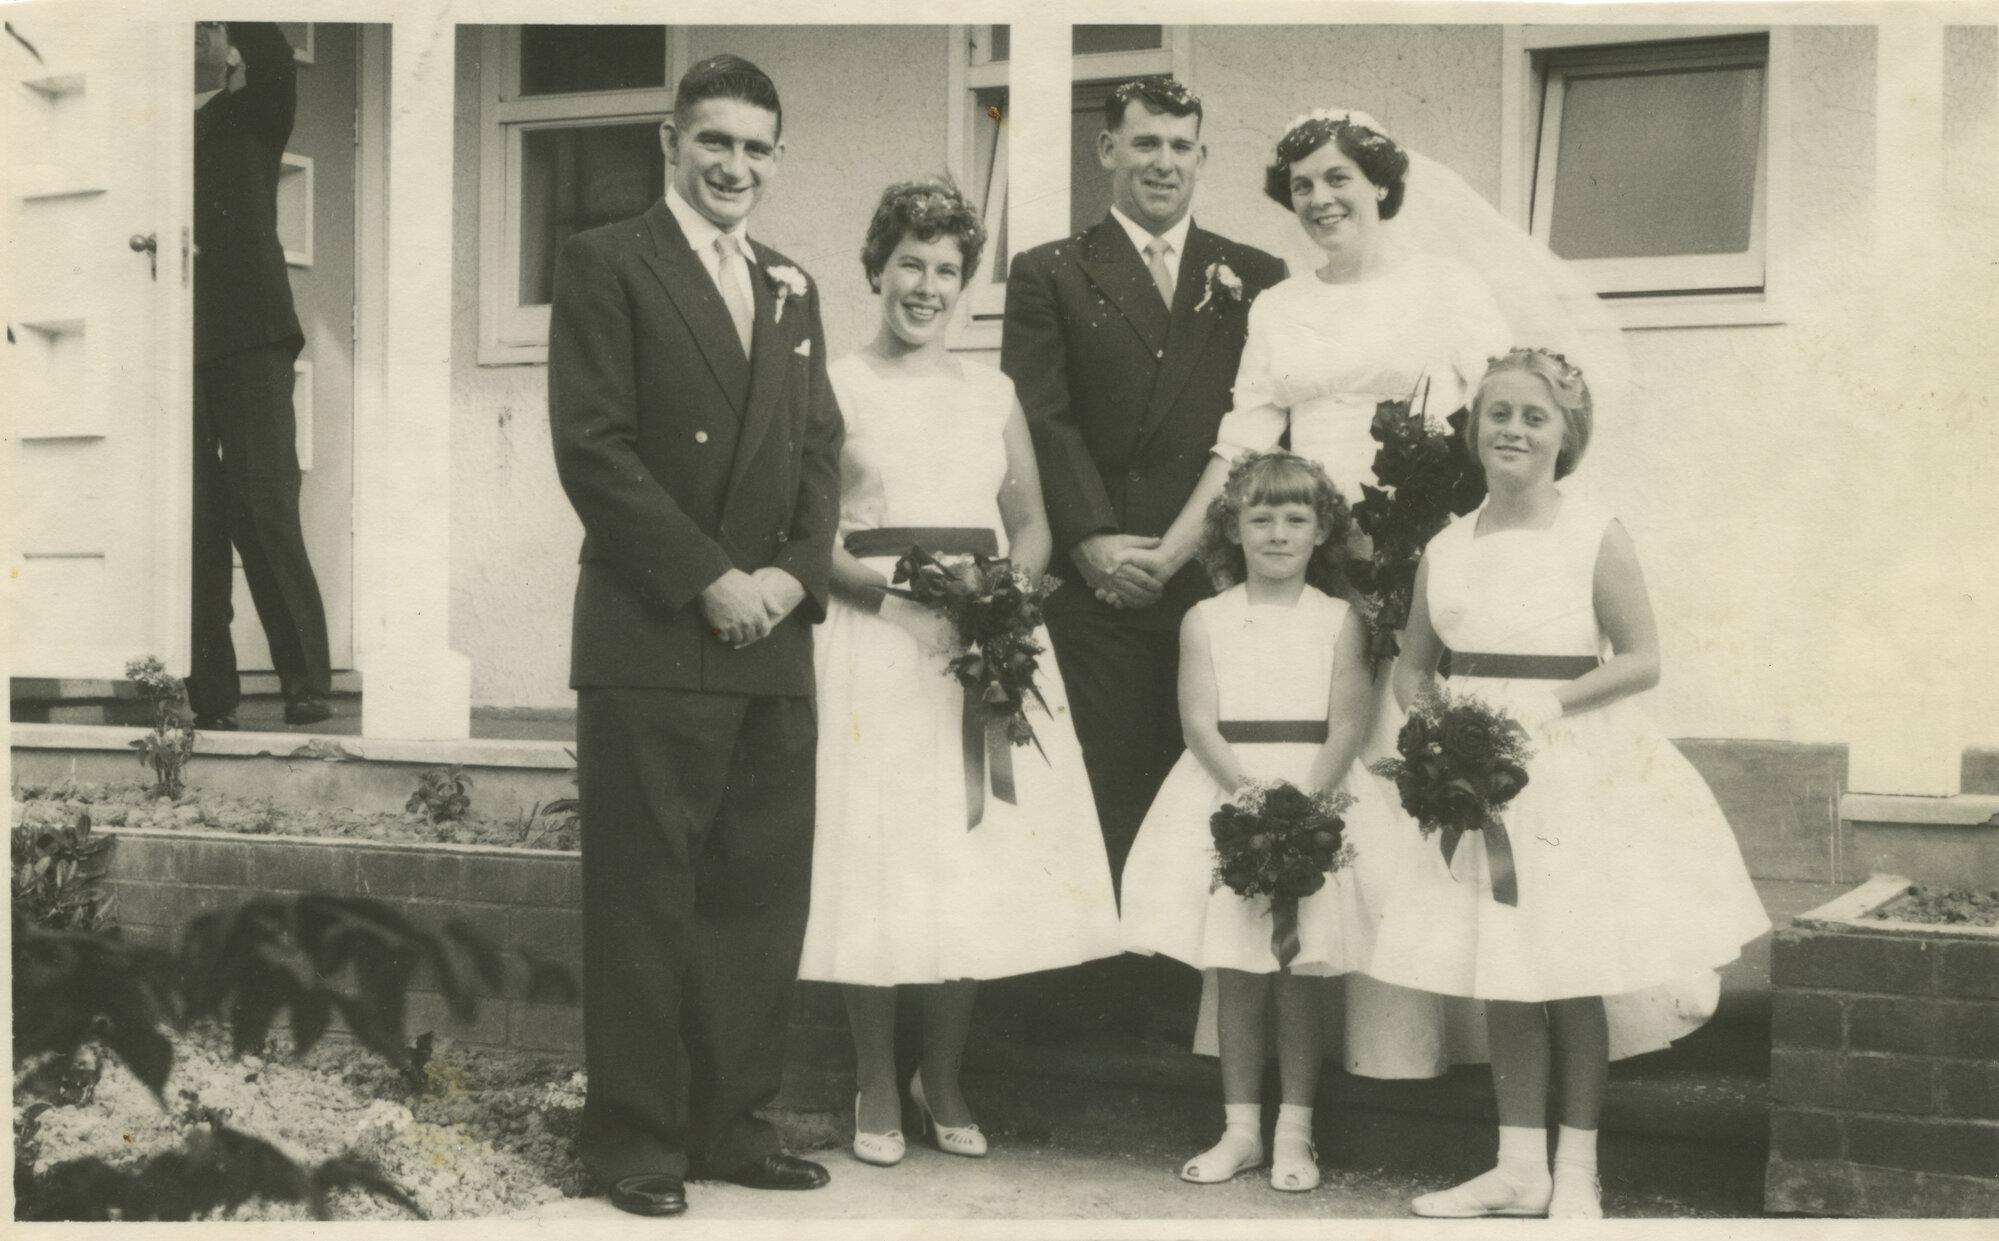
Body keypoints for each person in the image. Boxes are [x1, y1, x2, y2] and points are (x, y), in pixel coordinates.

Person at [546, 54, 843, 1217]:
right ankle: (633, 1141)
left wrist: (786, 579)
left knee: (757, 897)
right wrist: (710, 577)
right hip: (653, 631)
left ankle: (734, 1125)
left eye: (757, 147)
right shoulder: (606, 262)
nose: (735, 166)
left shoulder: (793, 284)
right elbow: (595, 451)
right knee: (646, 900)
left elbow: (820, 453)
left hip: (769, 637)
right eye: (714, 141)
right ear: (671, 142)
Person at [1376, 350, 1769, 1219]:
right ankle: (1519, 1167)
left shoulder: (1592, 531)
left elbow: (1640, 658)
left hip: (1570, 767)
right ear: (1474, 429)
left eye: (1533, 416)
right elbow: (1411, 666)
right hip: (1477, 775)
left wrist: (1540, 710)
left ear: (1566, 437)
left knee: (1570, 963)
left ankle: (1579, 1169)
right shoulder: (1445, 544)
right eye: (1497, 413)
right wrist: (1438, 733)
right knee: (1506, 968)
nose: (1512, 429)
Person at [799, 179, 1122, 1169]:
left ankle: (940, 1074)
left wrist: (1003, 608)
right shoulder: (834, 384)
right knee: (879, 855)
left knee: (967, 857)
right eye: (911, 262)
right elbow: (808, 534)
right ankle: (870, 1075)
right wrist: (899, 608)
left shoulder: (992, 392)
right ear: (877, 267)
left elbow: (1029, 523)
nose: (927, 284)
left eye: (946, 268)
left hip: (985, 643)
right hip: (878, 638)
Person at [1002, 78, 1287, 890]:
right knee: (1109, 779)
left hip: (1211, 568)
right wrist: (1090, 541)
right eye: (1144, 143)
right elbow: (1038, 418)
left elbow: (1263, 422)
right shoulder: (1048, 272)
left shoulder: (1256, 273)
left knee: (1207, 777)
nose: (1163, 163)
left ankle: (1180, 1003)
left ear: (1200, 157)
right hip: (1103, 577)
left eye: (1180, 147)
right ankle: (1106, 1002)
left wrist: (1186, 548)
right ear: (1107, 151)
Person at [1120, 452, 1382, 1193]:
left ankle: (1293, 1131)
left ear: (1320, 529)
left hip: (1316, 798)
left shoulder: (1341, 620)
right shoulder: (1205, 617)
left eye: (1294, 518)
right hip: (1227, 795)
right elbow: (1198, 722)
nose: (1275, 533)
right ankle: (1240, 1130)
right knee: (1236, 971)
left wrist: (1303, 806)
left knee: (1299, 974)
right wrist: (1246, 796)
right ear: (1231, 528)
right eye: (1258, 517)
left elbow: (1346, 725)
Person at [188, 21, 332, 731]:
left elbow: (274, 56)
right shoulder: (135, 128)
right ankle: (207, 691)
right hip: (169, 341)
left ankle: (305, 680)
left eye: (205, 25)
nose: (193, 35)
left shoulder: (252, 110)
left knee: (261, 505)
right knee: (190, 519)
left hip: (249, 330)